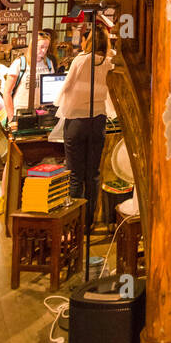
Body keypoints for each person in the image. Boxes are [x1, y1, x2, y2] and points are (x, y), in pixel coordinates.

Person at [54, 23, 113, 229]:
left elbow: (67, 86)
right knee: (93, 173)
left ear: (89, 42)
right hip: (98, 120)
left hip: (77, 120)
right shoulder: (108, 61)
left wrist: (56, 103)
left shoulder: (81, 60)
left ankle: (74, 223)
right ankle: (89, 223)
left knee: (74, 173)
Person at [3, 29, 57, 121]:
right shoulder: (20, 63)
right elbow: (7, 92)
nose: (44, 50)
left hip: (41, 111)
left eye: (46, 47)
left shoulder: (48, 63)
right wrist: (11, 117)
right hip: (21, 109)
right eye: (41, 47)